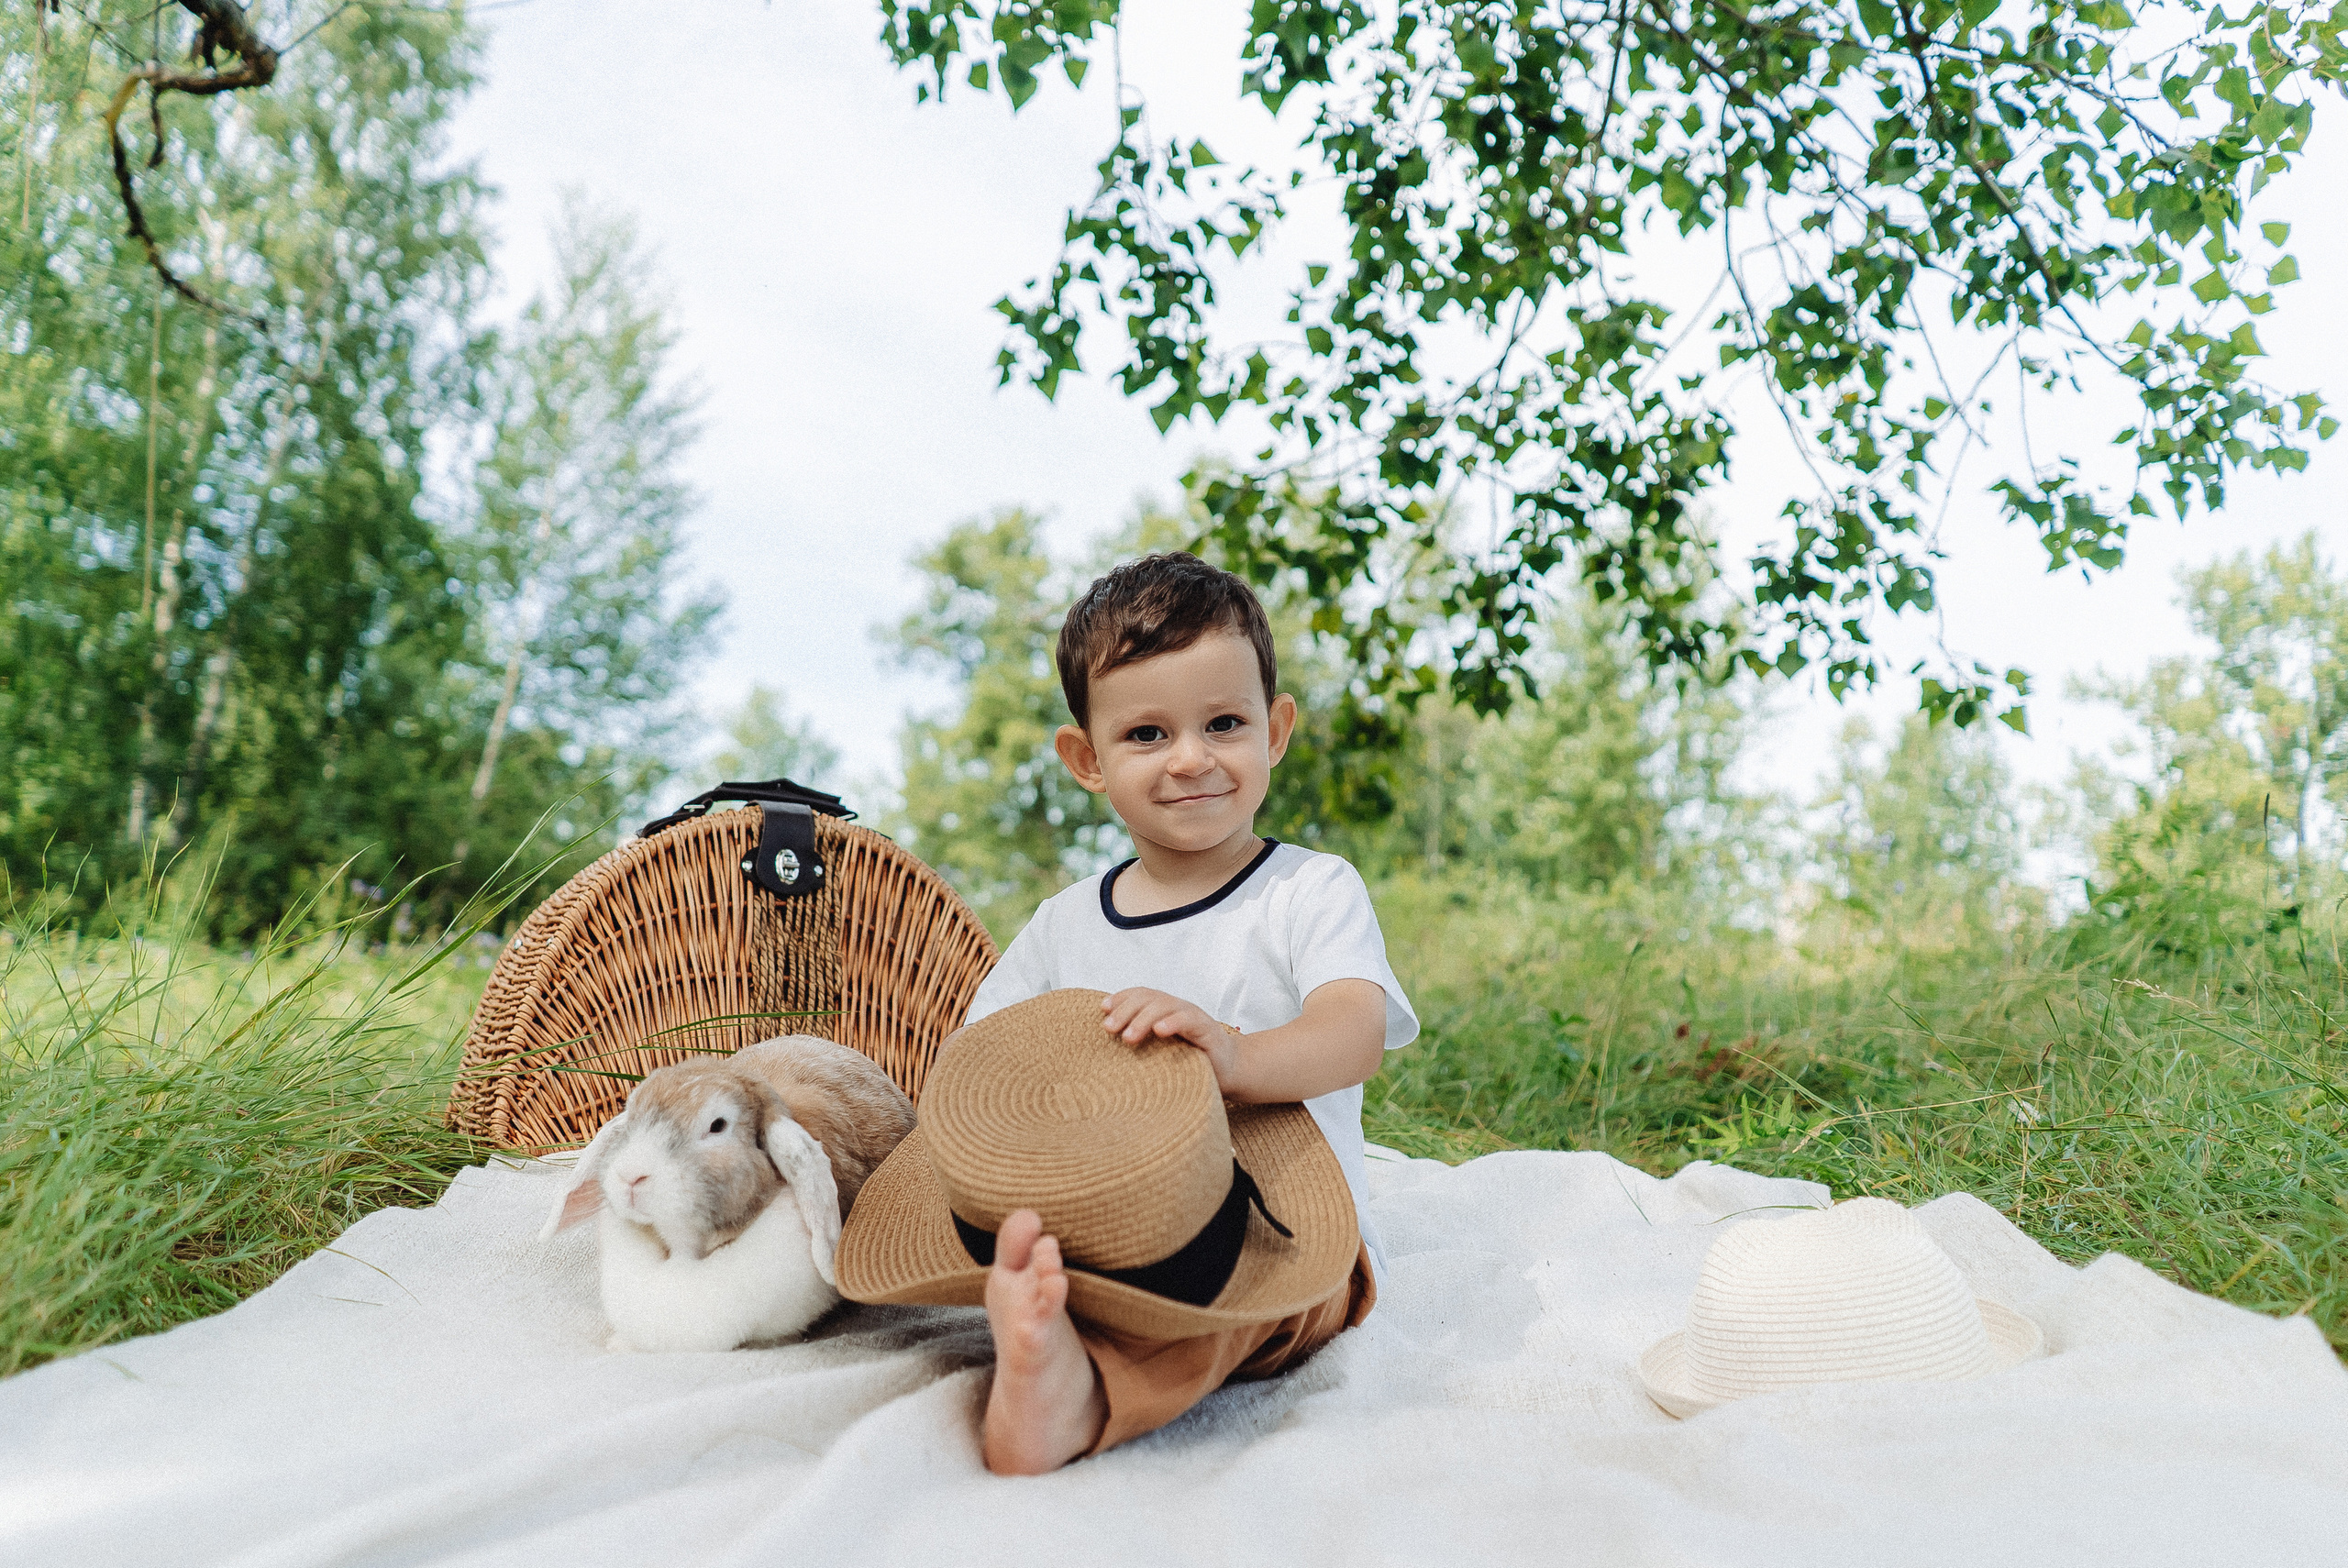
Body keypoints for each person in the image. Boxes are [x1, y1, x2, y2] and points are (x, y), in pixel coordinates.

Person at [956, 550, 1417, 1474]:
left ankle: (1078, 1396)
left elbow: (1354, 1031)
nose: (1193, 759)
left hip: (1283, 1231)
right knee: (1067, 1278)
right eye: (1147, 735)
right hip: (1113, 1227)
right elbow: (981, 1063)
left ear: (1275, 732)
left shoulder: (1306, 890)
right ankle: (1047, 1325)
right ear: (1086, 759)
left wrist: (1235, 1061)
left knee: (1243, 1319)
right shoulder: (1061, 925)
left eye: (1224, 723)